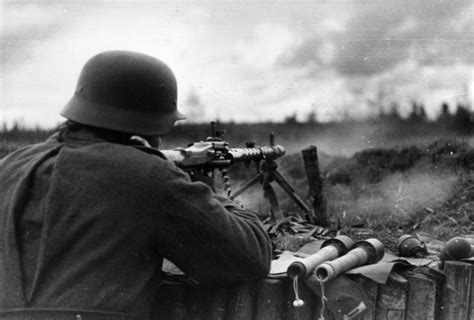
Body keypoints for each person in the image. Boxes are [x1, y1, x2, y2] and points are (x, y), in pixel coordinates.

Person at [0, 50, 272, 319]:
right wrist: (202, 188)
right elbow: (251, 257)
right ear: (149, 128)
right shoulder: (150, 174)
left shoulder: (10, 165)